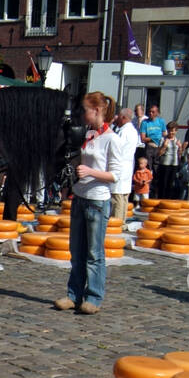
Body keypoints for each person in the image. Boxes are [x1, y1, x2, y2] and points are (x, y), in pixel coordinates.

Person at [55, 91, 121, 316]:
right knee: (76, 249)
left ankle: (93, 295)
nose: (82, 114)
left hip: (97, 199)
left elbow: (115, 175)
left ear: (97, 110)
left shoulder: (112, 138)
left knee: (94, 252)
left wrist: (90, 171)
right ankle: (74, 294)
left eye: (85, 110)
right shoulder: (87, 135)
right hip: (80, 196)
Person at [111, 106, 140, 220]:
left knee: (117, 197)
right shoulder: (133, 130)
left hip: (120, 165)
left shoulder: (124, 132)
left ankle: (117, 222)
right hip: (127, 165)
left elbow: (117, 148)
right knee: (124, 197)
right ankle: (122, 221)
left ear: (123, 117)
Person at [139, 104, 166, 191]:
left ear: (157, 113)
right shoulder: (145, 122)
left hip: (158, 147)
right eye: (149, 112)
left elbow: (164, 133)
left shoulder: (161, 121)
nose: (151, 113)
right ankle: (147, 189)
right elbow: (143, 138)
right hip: (149, 147)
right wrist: (152, 137)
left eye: (153, 112)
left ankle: (157, 190)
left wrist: (159, 137)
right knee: (148, 168)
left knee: (157, 169)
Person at [155, 125, 182, 202]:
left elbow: (179, 154)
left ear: (176, 131)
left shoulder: (177, 140)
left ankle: (168, 200)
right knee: (163, 183)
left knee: (171, 184)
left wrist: (180, 147)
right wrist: (164, 146)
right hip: (165, 163)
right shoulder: (163, 139)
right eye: (170, 130)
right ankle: (161, 199)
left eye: (173, 131)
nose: (171, 132)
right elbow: (159, 154)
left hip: (174, 164)